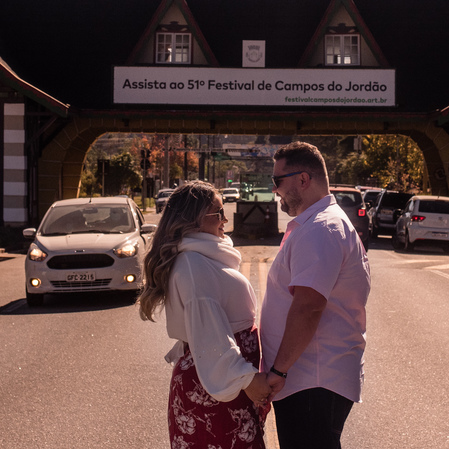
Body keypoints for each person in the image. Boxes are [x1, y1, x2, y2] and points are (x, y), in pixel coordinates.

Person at [138, 181, 271, 449]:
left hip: (220, 380)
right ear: (193, 219)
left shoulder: (202, 256)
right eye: (217, 213)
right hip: (216, 385)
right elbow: (211, 331)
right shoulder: (193, 263)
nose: (224, 219)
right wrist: (246, 379)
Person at [260, 142, 371, 449]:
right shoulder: (320, 225)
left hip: (311, 379)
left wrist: (279, 369)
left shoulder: (321, 229)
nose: (275, 191)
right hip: (311, 378)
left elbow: (308, 307)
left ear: (303, 180)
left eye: (277, 181)